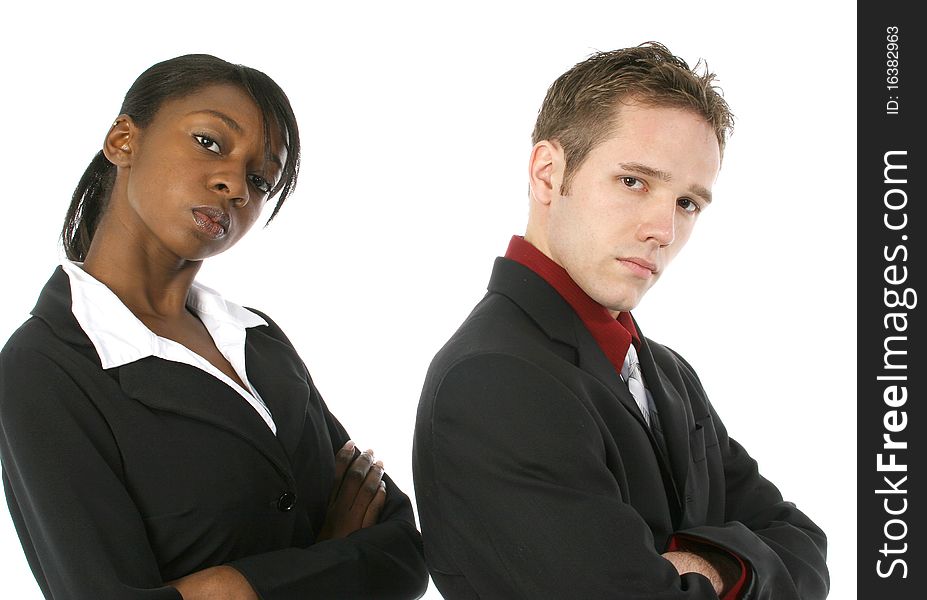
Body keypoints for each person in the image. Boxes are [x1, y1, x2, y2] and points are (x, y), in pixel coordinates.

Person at [0, 54, 427, 600]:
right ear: (123, 141)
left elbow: (404, 553)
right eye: (209, 142)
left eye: (260, 178)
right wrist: (331, 558)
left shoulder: (257, 339)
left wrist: (230, 586)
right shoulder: (48, 367)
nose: (235, 186)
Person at [413, 42, 829, 599]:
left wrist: (711, 567)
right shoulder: (493, 379)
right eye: (634, 181)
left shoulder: (669, 372)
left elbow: (804, 543)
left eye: (688, 203)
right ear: (546, 174)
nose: (663, 228)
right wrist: (739, 565)